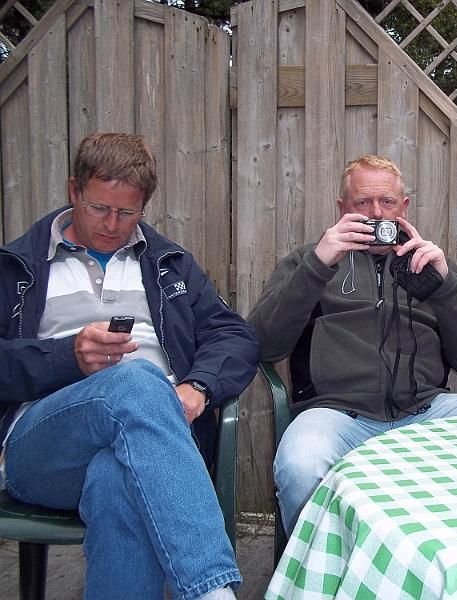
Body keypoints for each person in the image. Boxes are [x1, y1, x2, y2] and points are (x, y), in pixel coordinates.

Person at [0, 133, 259, 599]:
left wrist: (198, 387)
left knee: (117, 479)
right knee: (136, 380)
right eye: (99, 207)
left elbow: (234, 335)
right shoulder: (17, 267)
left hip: (152, 447)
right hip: (44, 450)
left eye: (127, 212)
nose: (111, 224)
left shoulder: (169, 264)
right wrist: (66, 357)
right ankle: (212, 591)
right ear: (74, 190)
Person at [249, 155, 457, 536]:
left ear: (404, 207)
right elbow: (262, 345)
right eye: (362, 202)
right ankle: (321, 569)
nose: (376, 214)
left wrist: (445, 285)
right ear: (342, 208)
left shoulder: (426, 264)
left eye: (387, 202)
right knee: (301, 465)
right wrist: (317, 265)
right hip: (336, 417)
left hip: (425, 412)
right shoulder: (310, 260)